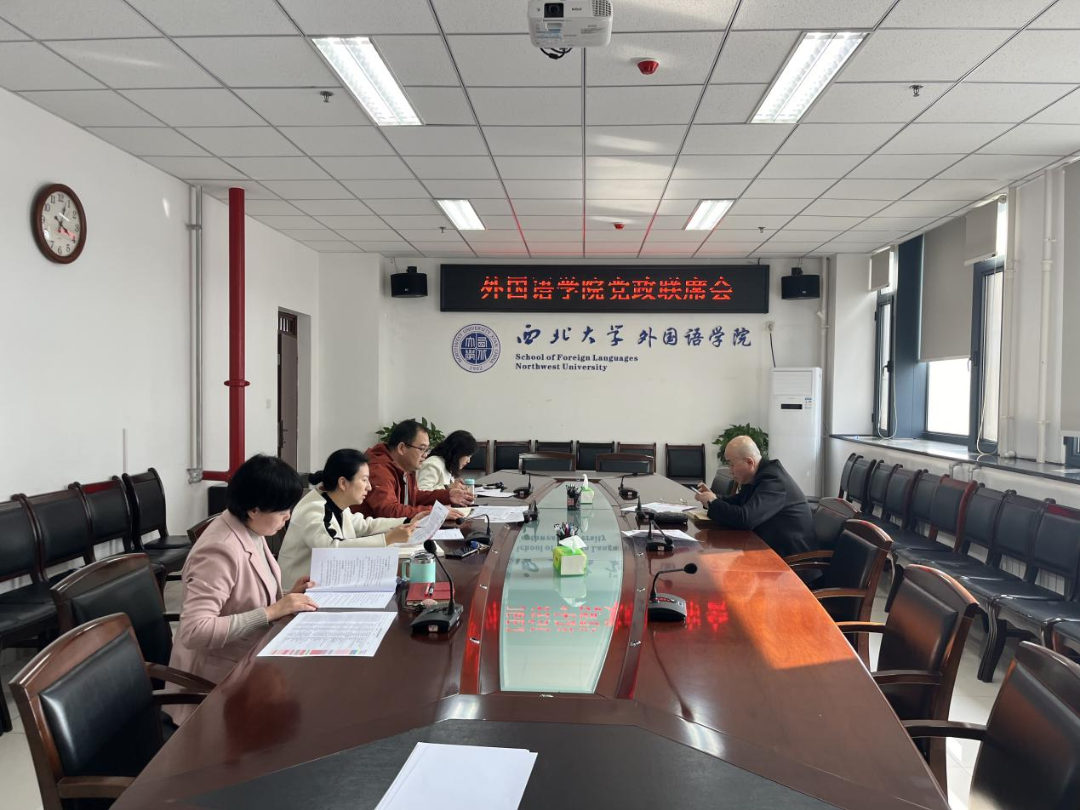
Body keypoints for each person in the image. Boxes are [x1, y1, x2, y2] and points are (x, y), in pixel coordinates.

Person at [168, 454, 316, 724]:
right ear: (254, 509)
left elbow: (246, 596)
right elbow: (195, 631)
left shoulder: (250, 529)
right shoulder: (219, 549)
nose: (288, 517)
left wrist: (287, 598)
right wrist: (273, 611)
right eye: (282, 510)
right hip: (217, 684)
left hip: (251, 660)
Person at [278, 449, 428, 586]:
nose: (369, 487)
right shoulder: (314, 509)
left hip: (325, 584)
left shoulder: (334, 501)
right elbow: (331, 549)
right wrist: (388, 539)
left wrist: (409, 520)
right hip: (297, 592)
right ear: (343, 483)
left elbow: (365, 526)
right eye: (364, 480)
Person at [692, 435, 814, 558]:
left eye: (732, 464)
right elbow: (740, 501)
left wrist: (713, 502)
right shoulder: (757, 474)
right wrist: (712, 498)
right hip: (766, 548)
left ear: (749, 462)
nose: (730, 470)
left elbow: (745, 519)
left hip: (792, 560)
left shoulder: (773, 480)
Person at [360, 418, 473, 520]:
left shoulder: (405, 466)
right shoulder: (378, 469)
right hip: (375, 534)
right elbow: (389, 511)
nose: (425, 455)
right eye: (422, 449)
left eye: (427, 449)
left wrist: (447, 495)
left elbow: (414, 497)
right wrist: (434, 512)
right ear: (402, 448)